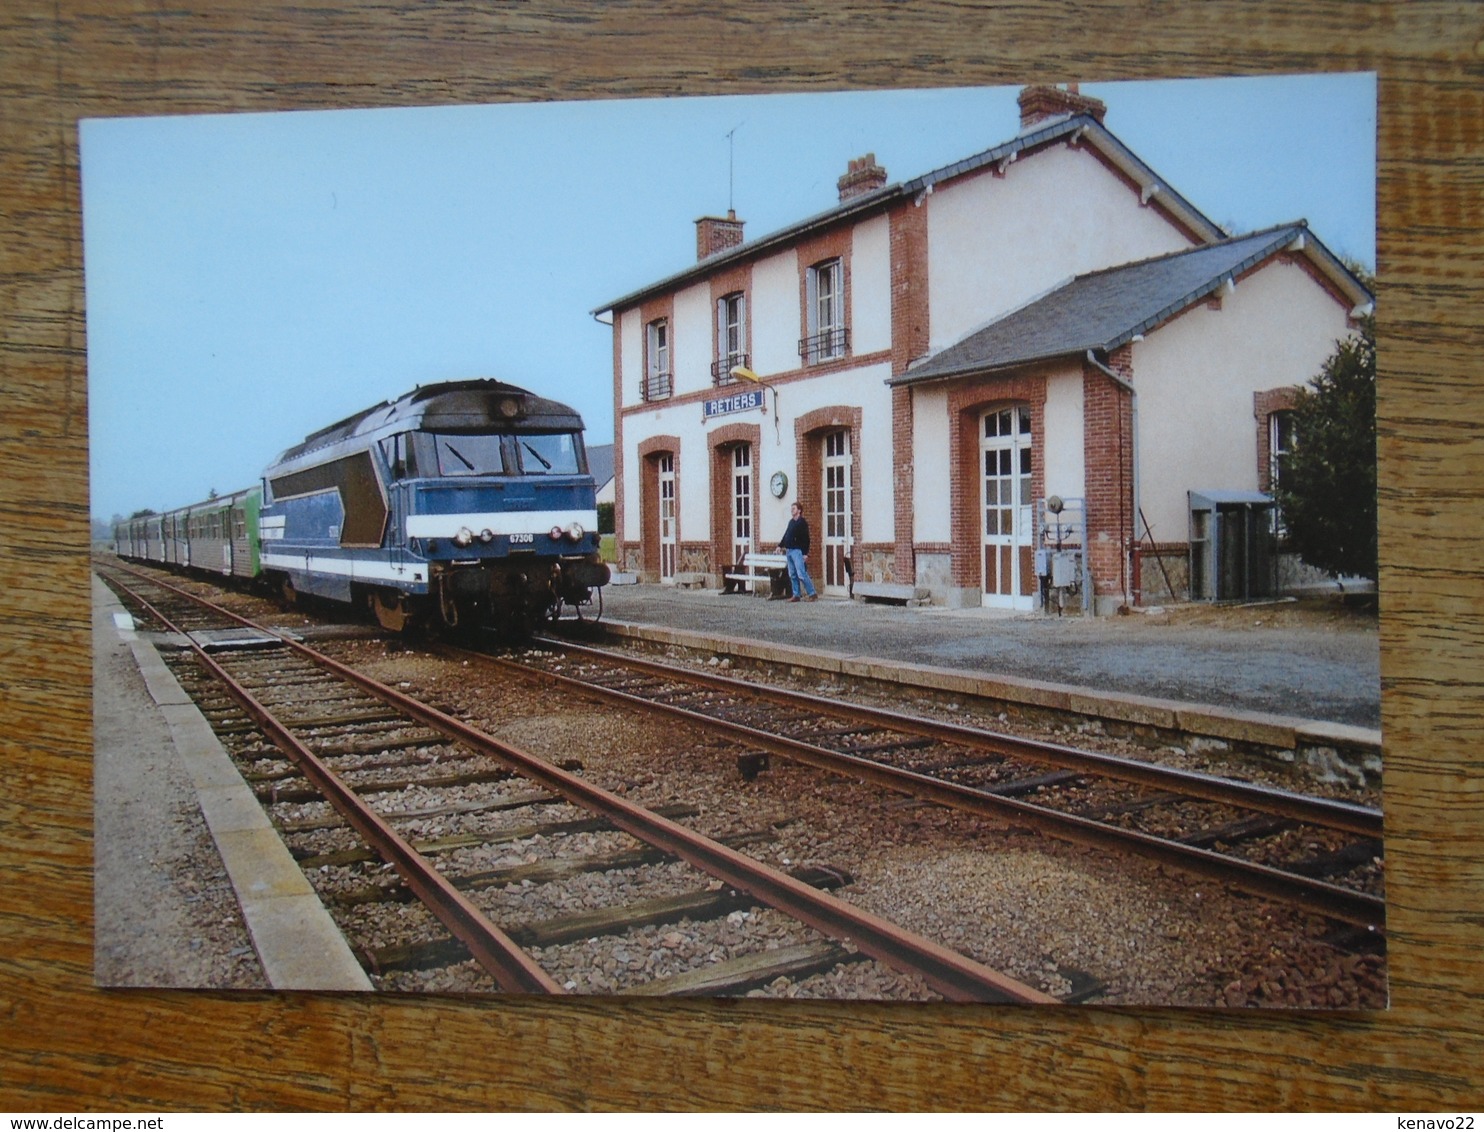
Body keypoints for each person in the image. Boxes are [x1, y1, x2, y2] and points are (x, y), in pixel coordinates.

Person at [777, 501, 817, 602]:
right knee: (792, 574)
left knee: (801, 573)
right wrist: (780, 546)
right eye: (791, 508)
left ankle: (812, 593)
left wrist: (805, 553)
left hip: (797, 551)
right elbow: (786, 535)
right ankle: (796, 594)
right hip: (789, 550)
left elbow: (806, 539)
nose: (792, 510)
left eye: (794, 508)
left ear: (799, 510)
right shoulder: (791, 522)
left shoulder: (802, 523)